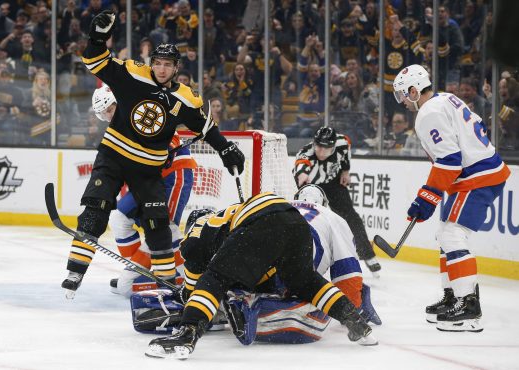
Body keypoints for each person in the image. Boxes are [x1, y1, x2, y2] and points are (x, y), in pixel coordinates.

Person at [61, 10, 245, 298]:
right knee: (97, 207)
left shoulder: (185, 97)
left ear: (175, 68)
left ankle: (166, 281)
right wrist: (97, 38)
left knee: (158, 224)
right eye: (157, 63)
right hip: (114, 155)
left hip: (148, 168)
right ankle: (76, 269)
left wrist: (226, 148)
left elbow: (205, 126)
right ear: (152, 64)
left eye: (167, 65)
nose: (161, 69)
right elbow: (96, 61)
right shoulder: (132, 75)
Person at [145, 192, 377, 359]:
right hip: (294, 222)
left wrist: (188, 302)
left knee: (214, 278)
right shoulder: (225, 215)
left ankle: (187, 335)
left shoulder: (194, 237)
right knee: (305, 281)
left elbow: (195, 288)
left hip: (263, 222)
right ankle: (354, 321)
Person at [392, 64, 510, 332]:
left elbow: (449, 161)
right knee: (444, 234)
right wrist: (430, 196)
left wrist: (427, 198)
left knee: (452, 234)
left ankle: (468, 304)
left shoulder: (427, 113)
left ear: (413, 90)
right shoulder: (445, 98)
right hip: (480, 171)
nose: (402, 102)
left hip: (478, 176)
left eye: (402, 95)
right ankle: (452, 296)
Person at [91, 85, 197, 297]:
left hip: (173, 176)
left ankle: (188, 280)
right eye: (104, 115)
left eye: (110, 110)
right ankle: (142, 271)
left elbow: (170, 133)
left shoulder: (141, 110)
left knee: (163, 228)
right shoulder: (118, 129)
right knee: (119, 218)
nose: (108, 117)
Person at [293, 127, 381, 275]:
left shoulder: (342, 142)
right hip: (313, 189)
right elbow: (301, 165)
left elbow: (346, 153)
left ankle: (367, 254)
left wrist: (345, 171)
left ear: (333, 147)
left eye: (325, 149)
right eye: (318, 146)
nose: (320, 152)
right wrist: (302, 175)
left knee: (351, 217)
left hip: (333, 184)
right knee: (310, 223)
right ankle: (304, 259)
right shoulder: (306, 152)